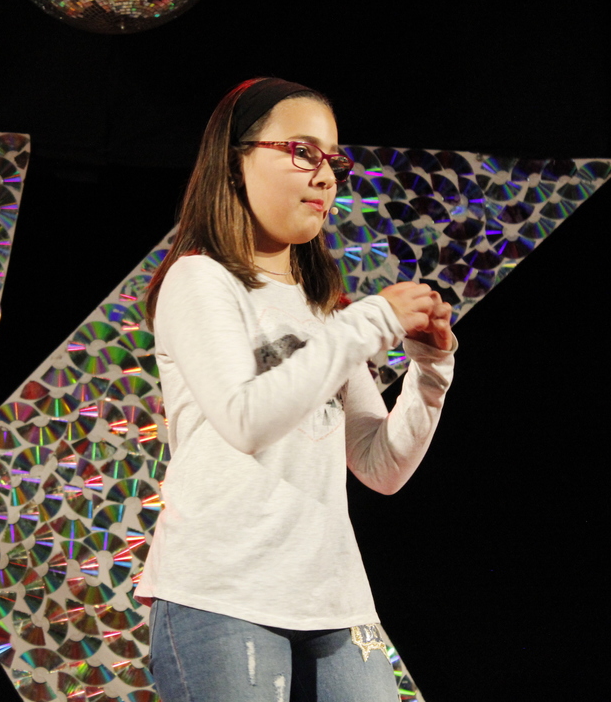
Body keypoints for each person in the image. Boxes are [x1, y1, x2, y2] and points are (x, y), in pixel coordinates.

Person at [134, 78, 456, 702]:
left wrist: (430, 371)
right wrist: (372, 320)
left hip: (334, 597)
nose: (326, 177)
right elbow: (245, 419)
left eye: (334, 160)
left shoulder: (319, 308)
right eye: (303, 152)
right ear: (237, 160)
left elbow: (380, 466)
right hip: (222, 594)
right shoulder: (199, 280)